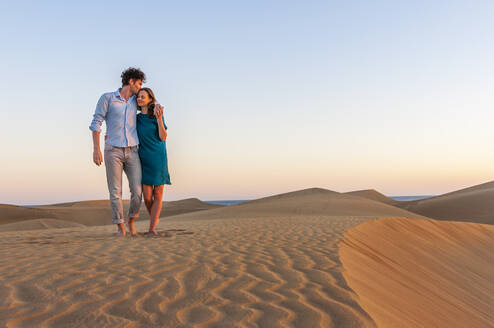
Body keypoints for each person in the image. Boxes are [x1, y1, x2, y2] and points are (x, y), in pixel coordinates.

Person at [89, 67, 145, 236]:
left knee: (137, 191)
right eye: (139, 83)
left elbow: (149, 105)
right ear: (131, 81)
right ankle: (120, 227)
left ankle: (131, 220)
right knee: (116, 191)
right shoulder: (108, 98)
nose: (140, 87)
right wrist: (96, 149)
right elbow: (96, 123)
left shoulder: (137, 101)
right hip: (112, 150)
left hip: (133, 151)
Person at [136, 88, 171, 235]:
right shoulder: (136, 118)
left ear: (150, 99)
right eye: (138, 96)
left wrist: (159, 118)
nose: (139, 98)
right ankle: (154, 220)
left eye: (143, 96)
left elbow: (163, 137)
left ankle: (151, 229)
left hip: (158, 157)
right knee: (147, 197)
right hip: (143, 158)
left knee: (158, 194)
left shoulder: (157, 114)